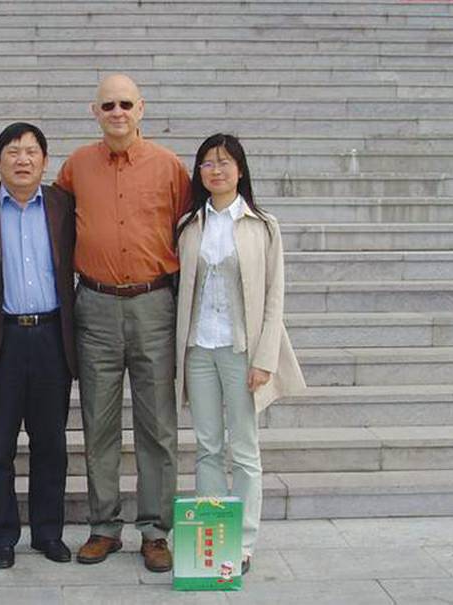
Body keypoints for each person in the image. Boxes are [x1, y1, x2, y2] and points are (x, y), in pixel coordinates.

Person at [0, 74, 190, 573]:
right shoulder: (76, 169)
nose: (117, 112)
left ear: (141, 108)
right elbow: (33, 201)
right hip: (94, 307)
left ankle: (156, 531)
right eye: (108, 105)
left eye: (125, 104)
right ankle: (104, 526)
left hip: (153, 304)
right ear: (94, 111)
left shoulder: (169, 167)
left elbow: (188, 226)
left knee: (158, 425)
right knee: (98, 423)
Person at [174, 133, 306, 576]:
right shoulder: (189, 224)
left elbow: (274, 295)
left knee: (245, 449)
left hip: (241, 350)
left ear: (241, 169)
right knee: (208, 447)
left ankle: (244, 542)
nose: (216, 170)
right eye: (208, 163)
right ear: (198, 172)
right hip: (198, 348)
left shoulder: (262, 225)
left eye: (225, 162)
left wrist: (264, 358)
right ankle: (214, 535)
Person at [0, 122, 76, 569]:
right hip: (1, 338)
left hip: (52, 336)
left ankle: (48, 533)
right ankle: (1, 537)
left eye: (31, 151)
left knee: (51, 443)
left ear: (45, 161)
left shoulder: (63, 204)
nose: (22, 159)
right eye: (12, 152)